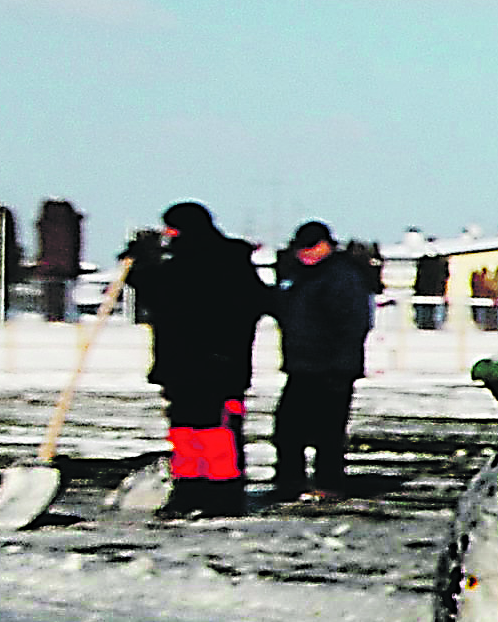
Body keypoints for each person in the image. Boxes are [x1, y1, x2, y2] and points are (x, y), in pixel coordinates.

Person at [136, 201, 264, 517]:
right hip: (180, 363)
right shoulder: (177, 263)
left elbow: (249, 306)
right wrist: (141, 265)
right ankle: (189, 487)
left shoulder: (229, 261)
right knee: (184, 430)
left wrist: (225, 350)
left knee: (216, 432)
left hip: (218, 365)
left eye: (172, 227)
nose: (168, 234)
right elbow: (157, 295)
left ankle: (223, 493)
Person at [266, 221, 375, 500]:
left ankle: (329, 483)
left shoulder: (342, 277)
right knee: (288, 429)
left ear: (326, 245)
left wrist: (341, 365)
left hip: (332, 368)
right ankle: (291, 481)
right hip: (302, 366)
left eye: (310, 248)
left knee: (327, 432)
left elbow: (353, 324)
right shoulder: (300, 276)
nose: (305, 254)